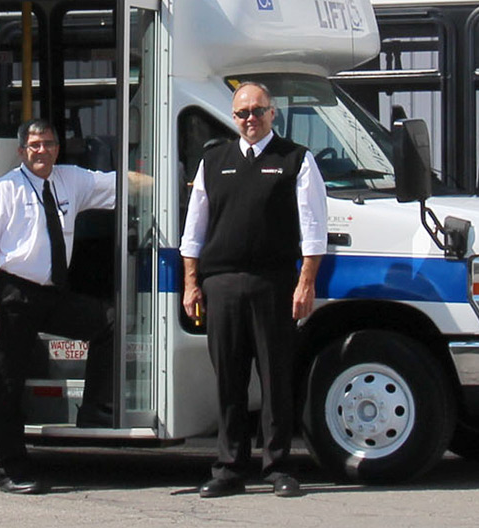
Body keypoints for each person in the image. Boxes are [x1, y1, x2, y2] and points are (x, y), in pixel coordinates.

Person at [178, 82, 326, 499]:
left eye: (258, 111)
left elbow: (313, 229)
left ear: (272, 114)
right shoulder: (213, 161)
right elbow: (194, 230)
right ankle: (228, 468)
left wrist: (306, 281)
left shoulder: (295, 160)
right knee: (229, 378)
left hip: (273, 283)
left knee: (275, 377)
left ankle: (277, 465)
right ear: (233, 115)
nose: (250, 120)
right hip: (220, 284)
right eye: (242, 113)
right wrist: (191, 283)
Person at [0, 118, 125, 495]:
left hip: (52, 293)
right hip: (13, 296)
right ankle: (10, 469)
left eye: (50, 144)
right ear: (23, 150)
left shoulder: (69, 180)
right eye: (35, 145)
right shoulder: (5, 189)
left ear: (59, 148)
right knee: (7, 383)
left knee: (110, 322)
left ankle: (94, 410)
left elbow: (120, 184)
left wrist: (168, 175)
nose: (43, 151)